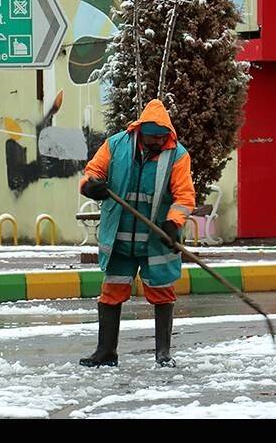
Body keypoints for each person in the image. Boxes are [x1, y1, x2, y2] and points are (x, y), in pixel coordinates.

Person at [79, 99, 196, 368]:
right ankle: (106, 351)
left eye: (162, 137)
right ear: (140, 131)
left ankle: (163, 353)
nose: (157, 142)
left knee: (162, 292)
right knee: (112, 291)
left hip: (156, 239)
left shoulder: (177, 155)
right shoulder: (116, 145)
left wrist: (173, 223)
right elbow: (93, 171)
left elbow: (184, 195)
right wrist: (90, 186)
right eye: (152, 137)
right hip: (119, 238)